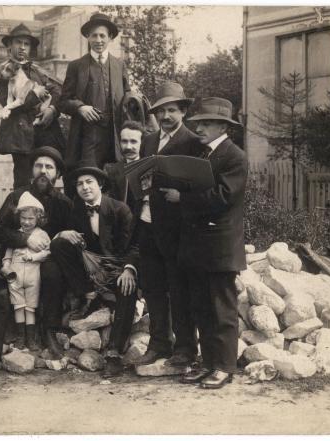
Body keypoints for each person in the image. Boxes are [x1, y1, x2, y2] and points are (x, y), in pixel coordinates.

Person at [174, 97, 248, 389]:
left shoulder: (235, 156)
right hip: (199, 246)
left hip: (220, 246)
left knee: (222, 309)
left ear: (222, 126)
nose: (199, 128)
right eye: (198, 123)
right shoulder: (203, 154)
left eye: (205, 123)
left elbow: (223, 197)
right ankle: (208, 364)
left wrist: (183, 199)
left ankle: (225, 367)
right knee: (202, 307)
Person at [0, 146, 72, 367]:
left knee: (52, 275)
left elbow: (70, 237)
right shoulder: (16, 196)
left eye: (49, 167)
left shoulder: (63, 203)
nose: (43, 171)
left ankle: (47, 333)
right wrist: (24, 240)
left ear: (57, 174)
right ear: (32, 170)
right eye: (39, 165)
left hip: (45, 261)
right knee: (0, 290)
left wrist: (54, 242)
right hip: (14, 259)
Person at [130, 81, 201, 368]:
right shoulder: (147, 140)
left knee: (179, 289)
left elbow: (199, 186)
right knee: (153, 287)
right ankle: (159, 343)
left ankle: (185, 348)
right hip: (148, 223)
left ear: (183, 111)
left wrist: (180, 196)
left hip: (176, 228)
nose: (166, 116)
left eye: (172, 110)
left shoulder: (193, 142)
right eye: (161, 111)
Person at [49, 161, 139, 378]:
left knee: (128, 288)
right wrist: (63, 234)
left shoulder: (120, 209)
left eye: (89, 182)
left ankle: (114, 353)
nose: (84, 187)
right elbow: (69, 243)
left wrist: (128, 269)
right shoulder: (77, 209)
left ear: (100, 185)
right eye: (79, 184)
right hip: (90, 269)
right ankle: (87, 293)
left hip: (118, 266)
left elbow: (135, 245)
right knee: (59, 244)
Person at [57, 12, 130, 197]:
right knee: (88, 184)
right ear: (88, 37)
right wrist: (80, 107)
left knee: (115, 187)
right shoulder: (76, 66)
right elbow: (63, 101)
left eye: (102, 35)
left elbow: (128, 97)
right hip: (87, 138)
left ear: (110, 37)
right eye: (94, 35)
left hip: (115, 138)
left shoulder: (119, 65)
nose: (98, 40)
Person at [0, 23, 65, 189]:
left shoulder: (36, 70)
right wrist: (37, 93)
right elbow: (12, 103)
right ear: (9, 46)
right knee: (23, 181)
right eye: (18, 42)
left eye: (26, 44)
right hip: (21, 137)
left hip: (43, 133)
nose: (22, 47)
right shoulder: (4, 73)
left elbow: (57, 90)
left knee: (46, 179)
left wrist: (52, 110)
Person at [0, 192, 50, 351]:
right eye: (23, 218)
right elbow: (7, 255)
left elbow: (48, 252)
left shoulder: (41, 235)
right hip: (14, 277)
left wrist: (33, 257)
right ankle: (20, 337)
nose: (27, 222)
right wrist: (6, 267)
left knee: (30, 307)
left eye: (31, 219)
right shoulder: (16, 235)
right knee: (18, 306)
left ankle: (31, 338)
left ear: (38, 219)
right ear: (19, 217)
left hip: (32, 276)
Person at [104, 120, 144, 204]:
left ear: (142, 143)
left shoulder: (151, 166)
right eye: (124, 141)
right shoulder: (112, 171)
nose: (128, 147)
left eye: (133, 141)